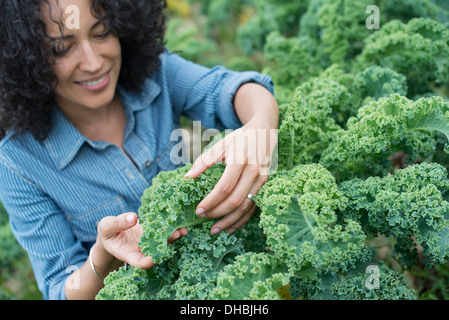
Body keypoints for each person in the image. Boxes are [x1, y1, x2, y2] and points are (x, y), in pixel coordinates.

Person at [0, 0, 279, 300]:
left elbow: (231, 89)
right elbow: (60, 289)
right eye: (62, 49)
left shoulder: (155, 73)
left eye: (102, 32)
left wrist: (260, 126)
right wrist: (103, 257)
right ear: (24, 59)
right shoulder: (17, 162)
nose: (93, 62)